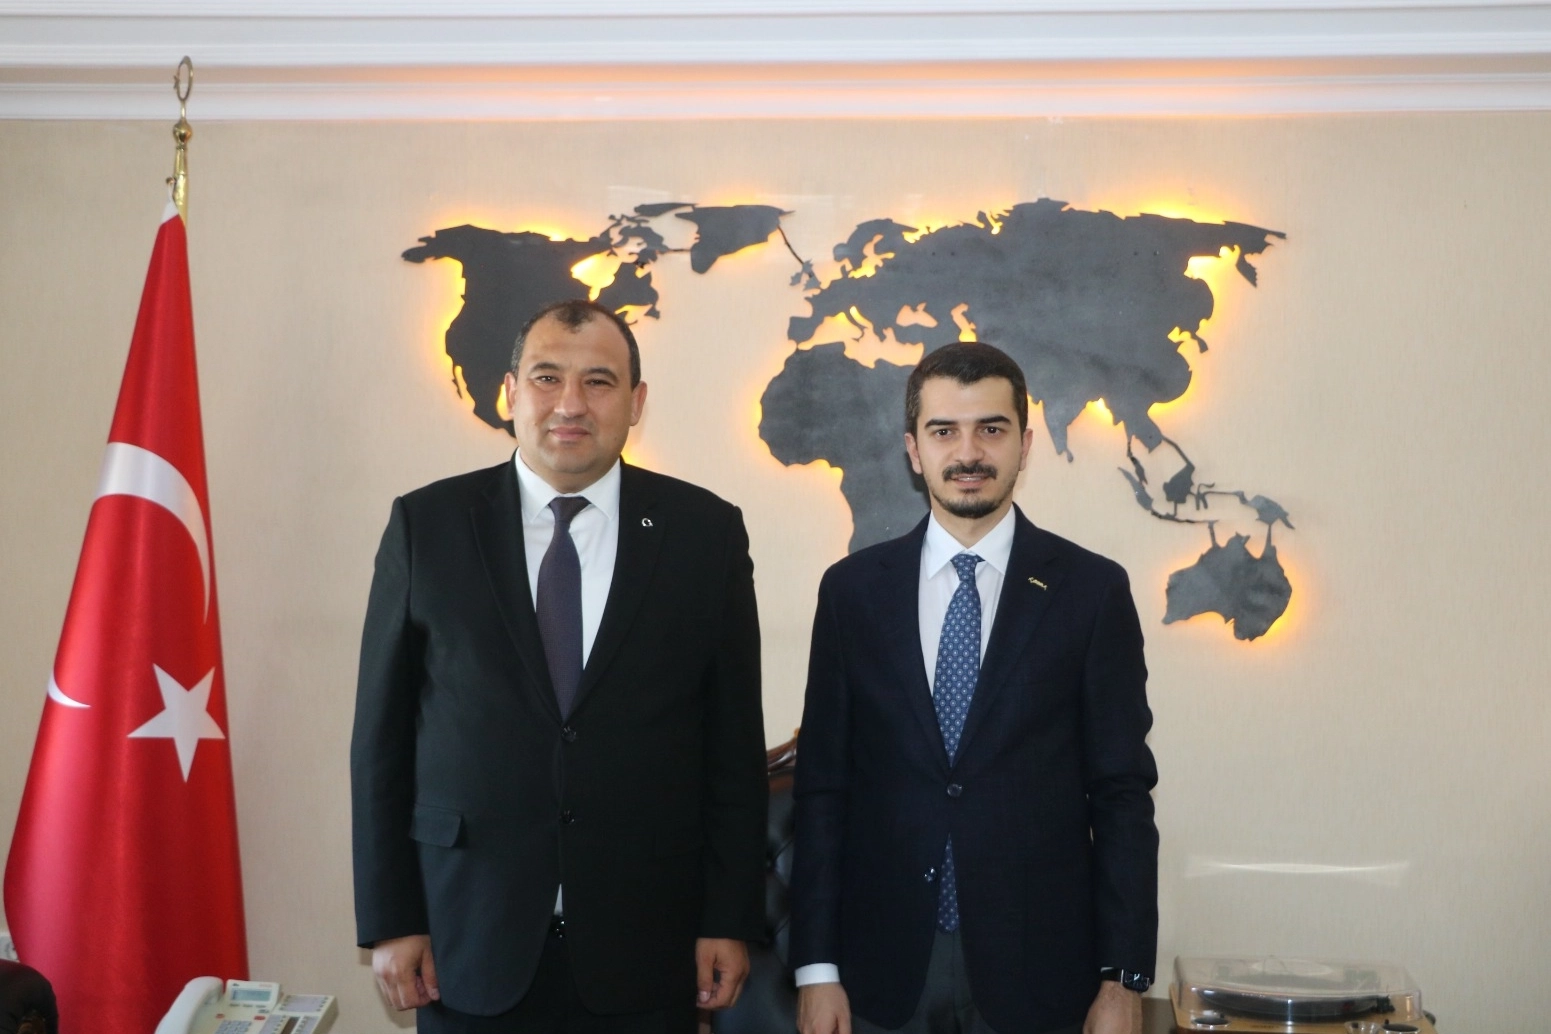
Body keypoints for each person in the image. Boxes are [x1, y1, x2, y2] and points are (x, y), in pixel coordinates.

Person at [351, 299, 768, 1034]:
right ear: (511, 392)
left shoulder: (705, 534)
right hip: (466, 934)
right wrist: (391, 919)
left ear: (635, 402)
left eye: (599, 381)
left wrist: (727, 918)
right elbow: (381, 742)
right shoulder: (428, 526)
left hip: (647, 941)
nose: (570, 404)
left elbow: (733, 749)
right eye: (547, 378)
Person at [789, 342, 1159, 1034]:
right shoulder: (852, 592)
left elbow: (1121, 795)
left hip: (1042, 974)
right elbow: (822, 790)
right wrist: (815, 969)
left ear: (1025, 444)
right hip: (879, 970)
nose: (968, 453)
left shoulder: (1091, 591)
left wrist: (1123, 980)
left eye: (991, 429)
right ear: (912, 449)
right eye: (943, 431)